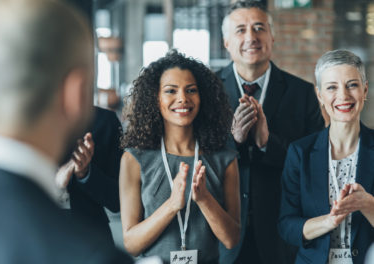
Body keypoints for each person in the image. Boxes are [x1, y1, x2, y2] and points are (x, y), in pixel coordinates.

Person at [0, 0, 132, 263]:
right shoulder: (95, 258)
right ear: (76, 91)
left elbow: (118, 199)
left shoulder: (105, 125)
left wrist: (86, 174)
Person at [217, 1, 324, 264]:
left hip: (281, 236)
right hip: (221, 236)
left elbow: (315, 164)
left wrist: (267, 142)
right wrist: (235, 140)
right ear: (226, 42)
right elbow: (194, 155)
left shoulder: (303, 93)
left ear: (272, 36)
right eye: (240, 30)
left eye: (259, 28)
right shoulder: (206, 92)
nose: (251, 37)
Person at [119, 50, 241, 264]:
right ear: (155, 98)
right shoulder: (134, 159)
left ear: (202, 97)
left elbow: (231, 240)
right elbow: (132, 244)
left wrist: (205, 199)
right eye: (170, 91)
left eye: (191, 90)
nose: (182, 99)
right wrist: (172, 205)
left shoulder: (225, 159)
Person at [279, 49, 374, 264]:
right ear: (320, 95)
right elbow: (286, 225)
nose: (343, 95)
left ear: (365, 90)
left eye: (352, 85)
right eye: (332, 87)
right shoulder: (299, 152)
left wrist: (368, 204)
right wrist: (328, 222)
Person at [56, 106, 123, 246]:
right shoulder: (27, 118)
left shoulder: (104, 121)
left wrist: (85, 173)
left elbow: (118, 199)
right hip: (40, 235)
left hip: (92, 238)